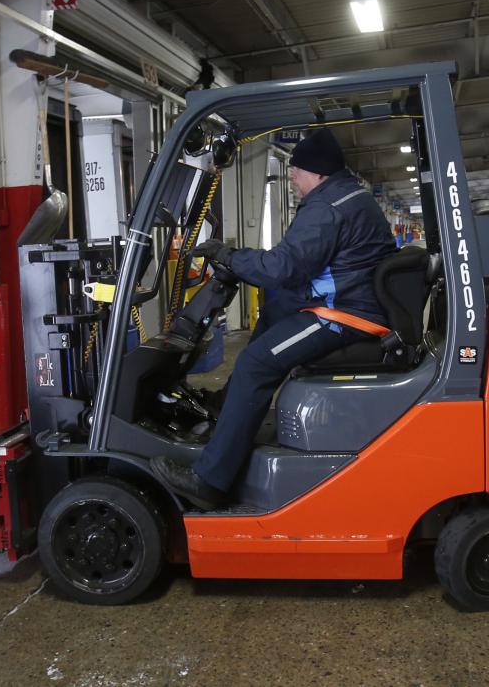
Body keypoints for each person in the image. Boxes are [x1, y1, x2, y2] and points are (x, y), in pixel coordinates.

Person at [149, 128, 396, 510]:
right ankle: (228, 406)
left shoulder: (327, 208)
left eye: (296, 172)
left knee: (255, 361)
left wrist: (230, 257)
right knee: (277, 306)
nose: (293, 179)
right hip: (349, 299)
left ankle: (211, 481)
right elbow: (294, 267)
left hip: (347, 315)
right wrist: (240, 259)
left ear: (317, 172)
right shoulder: (345, 196)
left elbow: (283, 267)